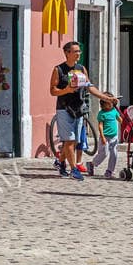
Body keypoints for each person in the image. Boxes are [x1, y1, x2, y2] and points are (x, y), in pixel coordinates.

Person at [49, 40, 118, 181]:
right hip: (64, 108)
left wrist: (106, 98)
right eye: (75, 51)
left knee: (73, 142)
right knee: (69, 141)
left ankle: (61, 162)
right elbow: (52, 90)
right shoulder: (59, 69)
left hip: (78, 108)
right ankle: (74, 170)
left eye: (79, 51)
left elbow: (89, 87)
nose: (78, 54)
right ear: (67, 53)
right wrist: (66, 90)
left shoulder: (81, 68)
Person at [87, 93, 121, 178]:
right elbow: (100, 126)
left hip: (114, 136)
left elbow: (120, 119)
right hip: (105, 137)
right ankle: (92, 164)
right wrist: (102, 137)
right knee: (104, 153)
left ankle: (110, 171)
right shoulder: (101, 114)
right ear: (103, 104)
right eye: (108, 103)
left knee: (114, 154)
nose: (110, 104)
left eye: (111, 102)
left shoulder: (114, 111)